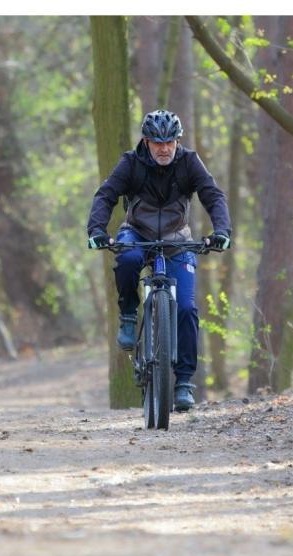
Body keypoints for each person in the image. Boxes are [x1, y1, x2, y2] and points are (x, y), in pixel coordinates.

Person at [86, 109, 232, 412]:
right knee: (127, 259)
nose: (164, 149)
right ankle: (128, 314)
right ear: (146, 141)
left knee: (188, 308)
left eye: (170, 142)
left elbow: (213, 196)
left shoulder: (190, 162)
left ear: (178, 141)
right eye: (157, 143)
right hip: (137, 234)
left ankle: (182, 383)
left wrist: (222, 231)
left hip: (178, 239)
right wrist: (97, 230)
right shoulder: (130, 163)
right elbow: (106, 195)